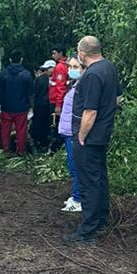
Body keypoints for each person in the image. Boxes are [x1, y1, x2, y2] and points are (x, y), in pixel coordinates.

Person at [66, 36, 120, 244]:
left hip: (88, 138)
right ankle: (101, 219)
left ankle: (87, 231)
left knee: (88, 182)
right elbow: (117, 98)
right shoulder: (109, 68)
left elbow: (90, 112)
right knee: (99, 177)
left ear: (82, 54)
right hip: (102, 134)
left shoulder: (92, 75)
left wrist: (81, 135)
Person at [0, 51, 34, 155]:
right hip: (21, 107)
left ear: (10, 59)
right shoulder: (26, 74)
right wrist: (31, 105)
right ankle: (21, 150)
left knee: (5, 129)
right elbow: (30, 92)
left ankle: (5, 150)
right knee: (21, 130)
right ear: (21, 59)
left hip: (6, 107)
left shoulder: (3, 74)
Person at [58, 56, 82, 212]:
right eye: (70, 66)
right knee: (73, 166)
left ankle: (78, 199)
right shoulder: (75, 85)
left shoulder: (81, 89)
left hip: (74, 132)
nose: (71, 70)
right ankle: (76, 195)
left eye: (75, 66)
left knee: (76, 167)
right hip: (68, 132)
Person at [31, 59, 56, 151]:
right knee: (46, 125)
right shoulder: (47, 80)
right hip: (46, 106)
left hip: (40, 106)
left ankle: (40, 143)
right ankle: (45, 143)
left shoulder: (39, 79)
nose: (46, 71)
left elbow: (34, 93)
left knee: (40, 124)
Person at [48, 47, 69, 133]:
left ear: (60, 53)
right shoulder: (64, 65)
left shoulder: (60, 67)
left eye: (54, 53)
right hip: (58, 100)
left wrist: (58, 105)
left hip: (56, 101)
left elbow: (60, 87)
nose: (53, 56)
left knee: (55, 124)